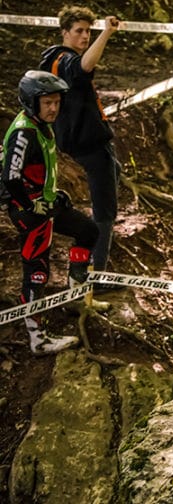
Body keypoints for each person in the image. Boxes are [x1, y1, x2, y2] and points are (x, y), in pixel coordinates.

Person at [1, 71, 99, 354]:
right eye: (47, 103)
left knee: (87, 230)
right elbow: (10, 177)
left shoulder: (39, 124)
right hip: (30, 212)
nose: (53, 108)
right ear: (32, 102)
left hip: (44, 203)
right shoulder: (24, 133)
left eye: (56, 102)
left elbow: (34, 170)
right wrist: (30, 205)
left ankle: (75, 297)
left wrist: (52, 194)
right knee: (37, 273)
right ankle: (38, 338)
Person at [40, 5, 122, 291]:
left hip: (82, 141)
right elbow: (84, 67)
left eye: (89, 31)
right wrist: (106, 33)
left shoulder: (52, 59)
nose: (85, 36)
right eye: (79, 31)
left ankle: (93, 252)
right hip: (89, 145)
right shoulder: (65, 60)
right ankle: (97, 276)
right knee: (106, 212)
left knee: (115, 172)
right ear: (65, 32)